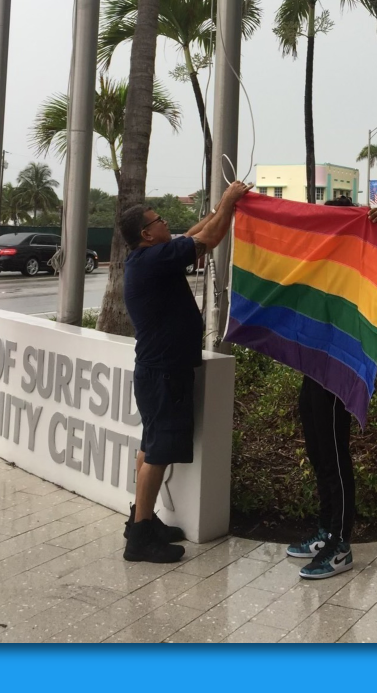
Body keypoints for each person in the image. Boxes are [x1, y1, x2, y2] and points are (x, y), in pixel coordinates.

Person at [116, 182, 249, 563]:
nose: (167, 223)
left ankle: (140, 520)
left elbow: (195, 232)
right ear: (146, 234)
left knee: (149, 447)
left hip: (157, 371)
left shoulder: (153, 256)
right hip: (164, 373)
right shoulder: (154, 260)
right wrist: (228, 203)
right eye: (160, 221)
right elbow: (211, 237)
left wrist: (224, 206)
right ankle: (139, 539)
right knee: (157, 453)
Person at [290, 193, 377, 580]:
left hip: (337, 371)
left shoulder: (358, 260)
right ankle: (326, 530)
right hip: (312, 370)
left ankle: (341, 544)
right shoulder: (315, 259)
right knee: (318, 452)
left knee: (334, 455)